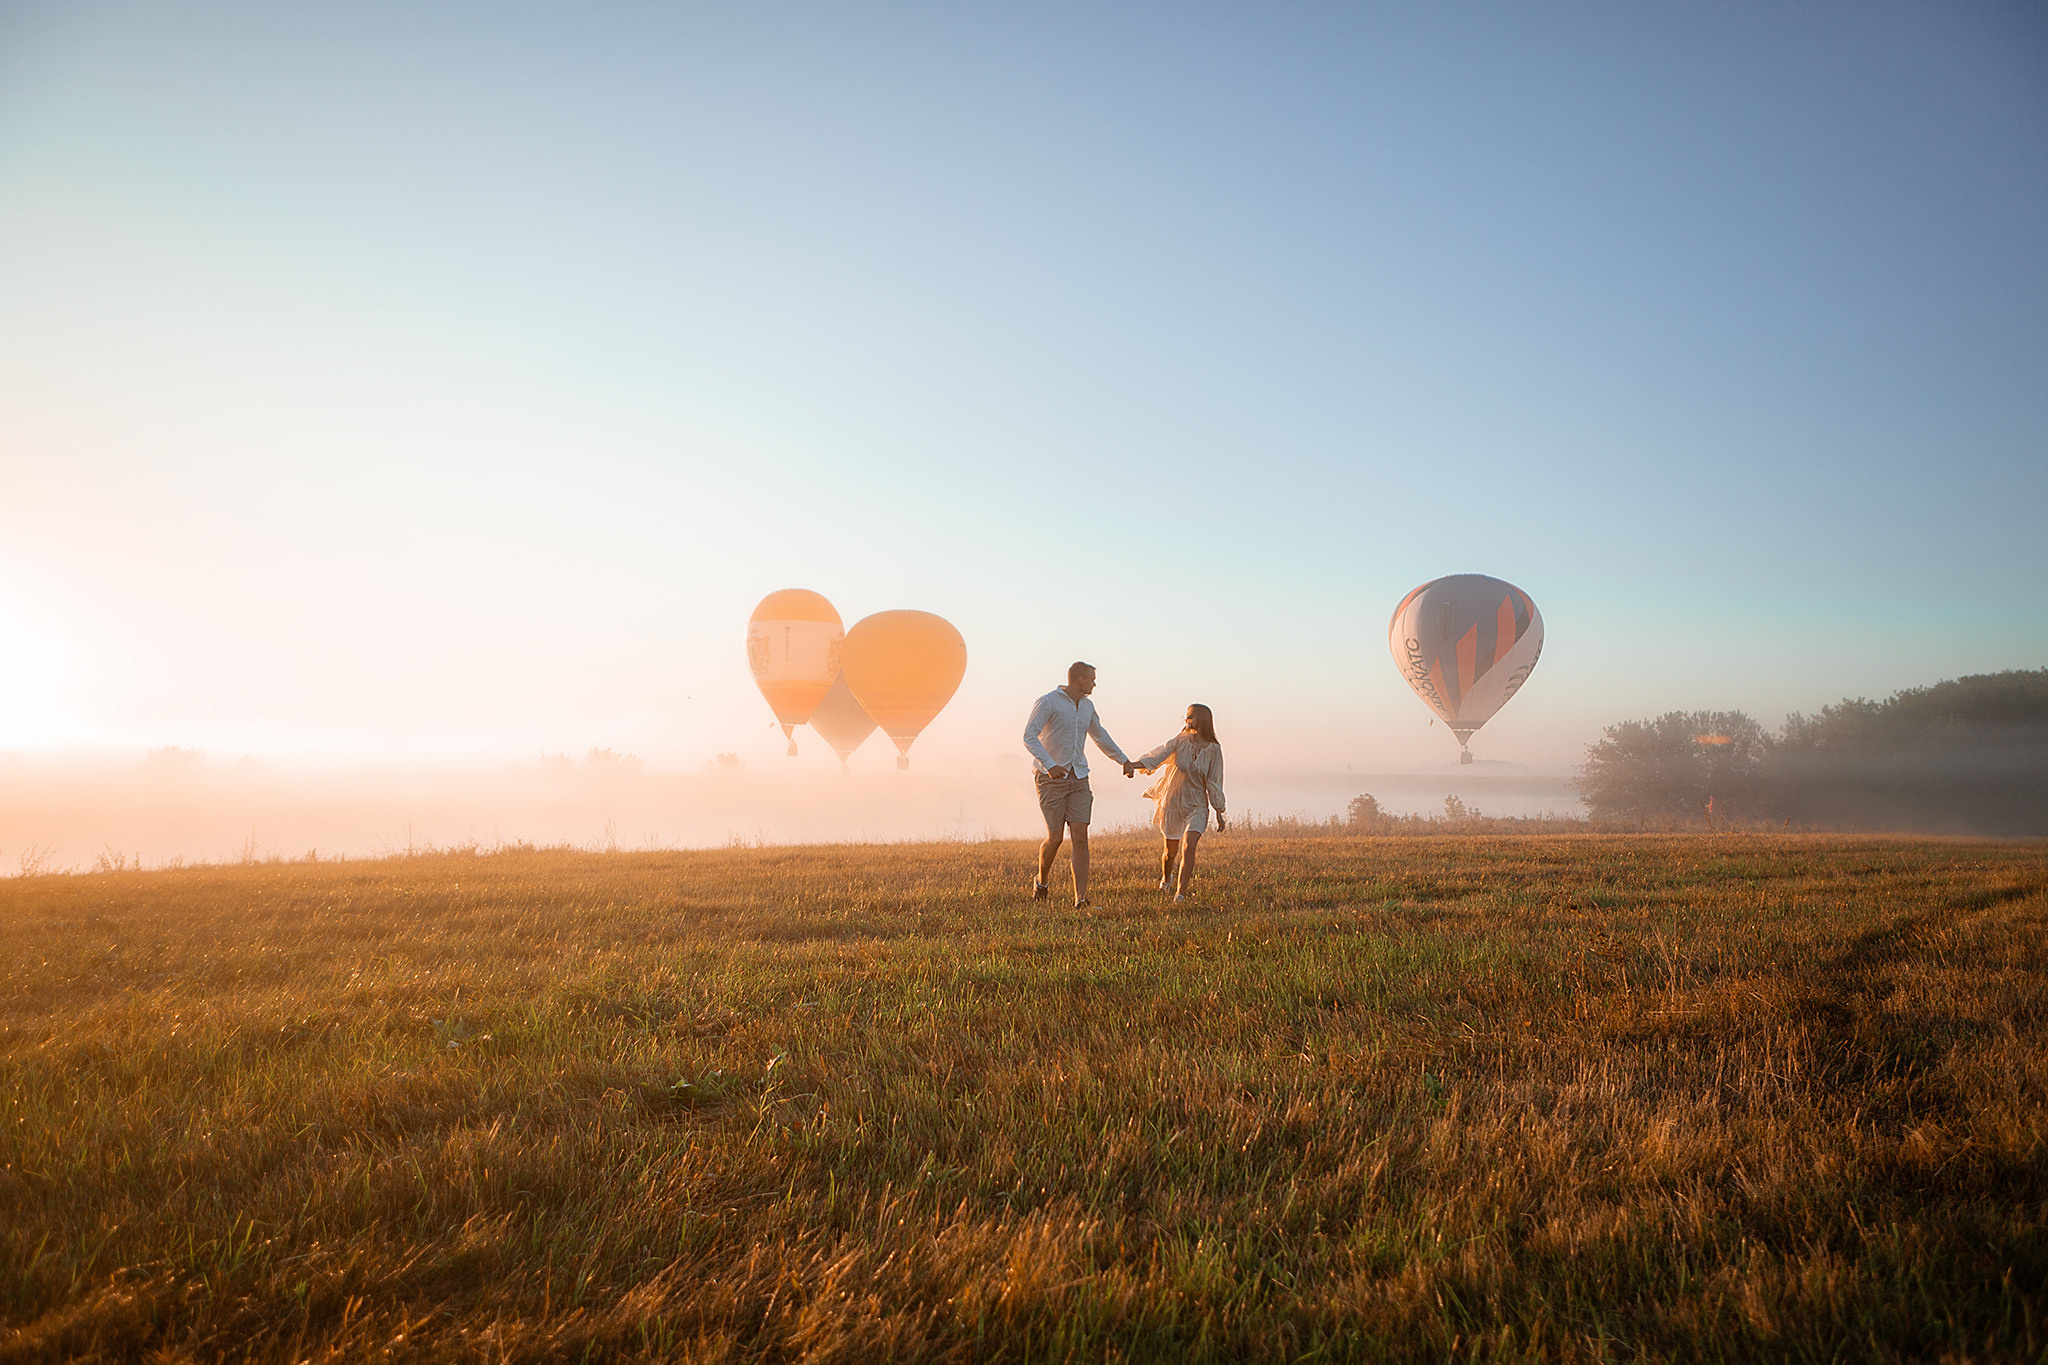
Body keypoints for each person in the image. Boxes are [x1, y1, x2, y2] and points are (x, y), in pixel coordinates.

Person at [1022, 661, 1137, 909]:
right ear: (1080, 679)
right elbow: (1029, 736)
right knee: (1055, 838)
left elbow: (1100, 735)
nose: (1095, 683)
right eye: (1092, 679)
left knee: (1080, 837)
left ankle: (1080, 900)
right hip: (1050, 778)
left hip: (1079, 777)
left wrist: (1123, 760)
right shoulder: (1048, 701)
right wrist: (1050, 765)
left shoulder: (1087, 706)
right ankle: (1041, 881)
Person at [1133, 703, 1227, 903]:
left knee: (1189, 845)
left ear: (1201, 720)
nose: (1186, 720)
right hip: (1173, 802)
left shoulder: (1214, 750)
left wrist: (1219, 811)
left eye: (1190, 716)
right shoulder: (1180, 740)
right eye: (1186, 716)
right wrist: (1135, 765)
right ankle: (1166, 879)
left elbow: (1215, 782)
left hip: (1197, 804)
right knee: (1170, 853)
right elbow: (1159, 755)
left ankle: (1180, 894)